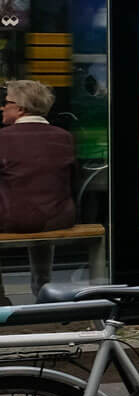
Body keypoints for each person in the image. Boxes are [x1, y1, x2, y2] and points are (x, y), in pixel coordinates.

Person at [0, 80, 76, 302]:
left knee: (24, 211)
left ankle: (1, 299)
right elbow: (72, 180)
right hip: (58, 218)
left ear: (21, 108)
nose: (3, 108)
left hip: (12, 219)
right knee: (40, 209)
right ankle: (43, 286)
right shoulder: (64, 137)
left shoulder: (2, 139)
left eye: (6, 103)